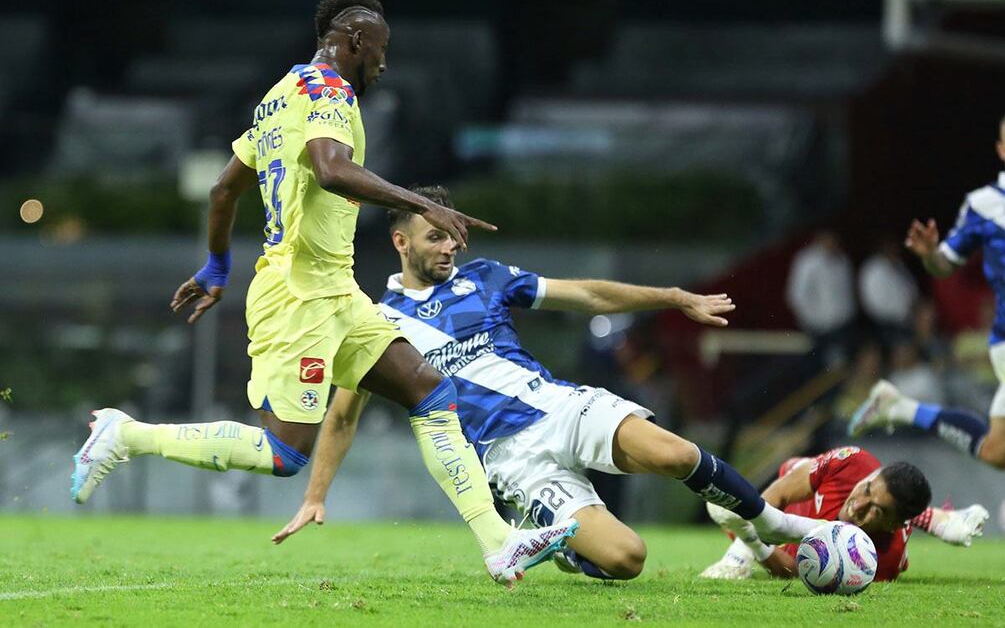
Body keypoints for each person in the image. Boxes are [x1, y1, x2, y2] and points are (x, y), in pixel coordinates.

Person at [69, 0, 576, 586]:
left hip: (334, 289)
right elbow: (333, 171)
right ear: (356, 41)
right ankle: (125, 434)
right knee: (286, 455)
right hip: (301, 295)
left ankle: (498, 544)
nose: (384, 63)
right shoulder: (329, 92)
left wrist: (216, 267)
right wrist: (424, 205)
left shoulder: (279, 94)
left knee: (430, 391)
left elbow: (223, 190)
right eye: (381, 49)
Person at [272, 185, 826, 579]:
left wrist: (672, 297)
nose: (450, 246)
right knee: (627, 558)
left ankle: (776, 526)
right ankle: (560, 541)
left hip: (560, 406)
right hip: (512, 458)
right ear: (401, 243)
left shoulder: (485, 278)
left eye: (453, 236)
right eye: (436, 237)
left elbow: (585, 294)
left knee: (678, 456)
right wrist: (314, 496)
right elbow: (343, 413)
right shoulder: (377, 323)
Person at [849, 116, 1005, 470]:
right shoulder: (984, 204)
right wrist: (930, 255)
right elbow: (945, 264)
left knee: (996, 452)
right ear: (1001, 149)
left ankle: (899, 407)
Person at [700, 446, 989, 581]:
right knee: (794, 467)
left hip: (806, 543)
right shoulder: (853, 464)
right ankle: (935, 518)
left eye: (876, 510)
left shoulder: (878, 562)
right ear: (870, 477)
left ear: (892, 525)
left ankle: (932, 518)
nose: (858, 505)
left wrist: (749, 539)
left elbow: (795, 571)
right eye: (866, 490)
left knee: (742, 523)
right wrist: (737, 557)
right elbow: (781, 492)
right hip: (797, 489)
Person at [785, 230, 856, 364]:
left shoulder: (842, 259)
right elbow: (796, 296)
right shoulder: (807, 262)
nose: (833, 244)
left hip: (845, 323)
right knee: (830, 367)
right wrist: (814, 321)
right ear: (820, 240)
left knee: (847, 362)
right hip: (821, 328)